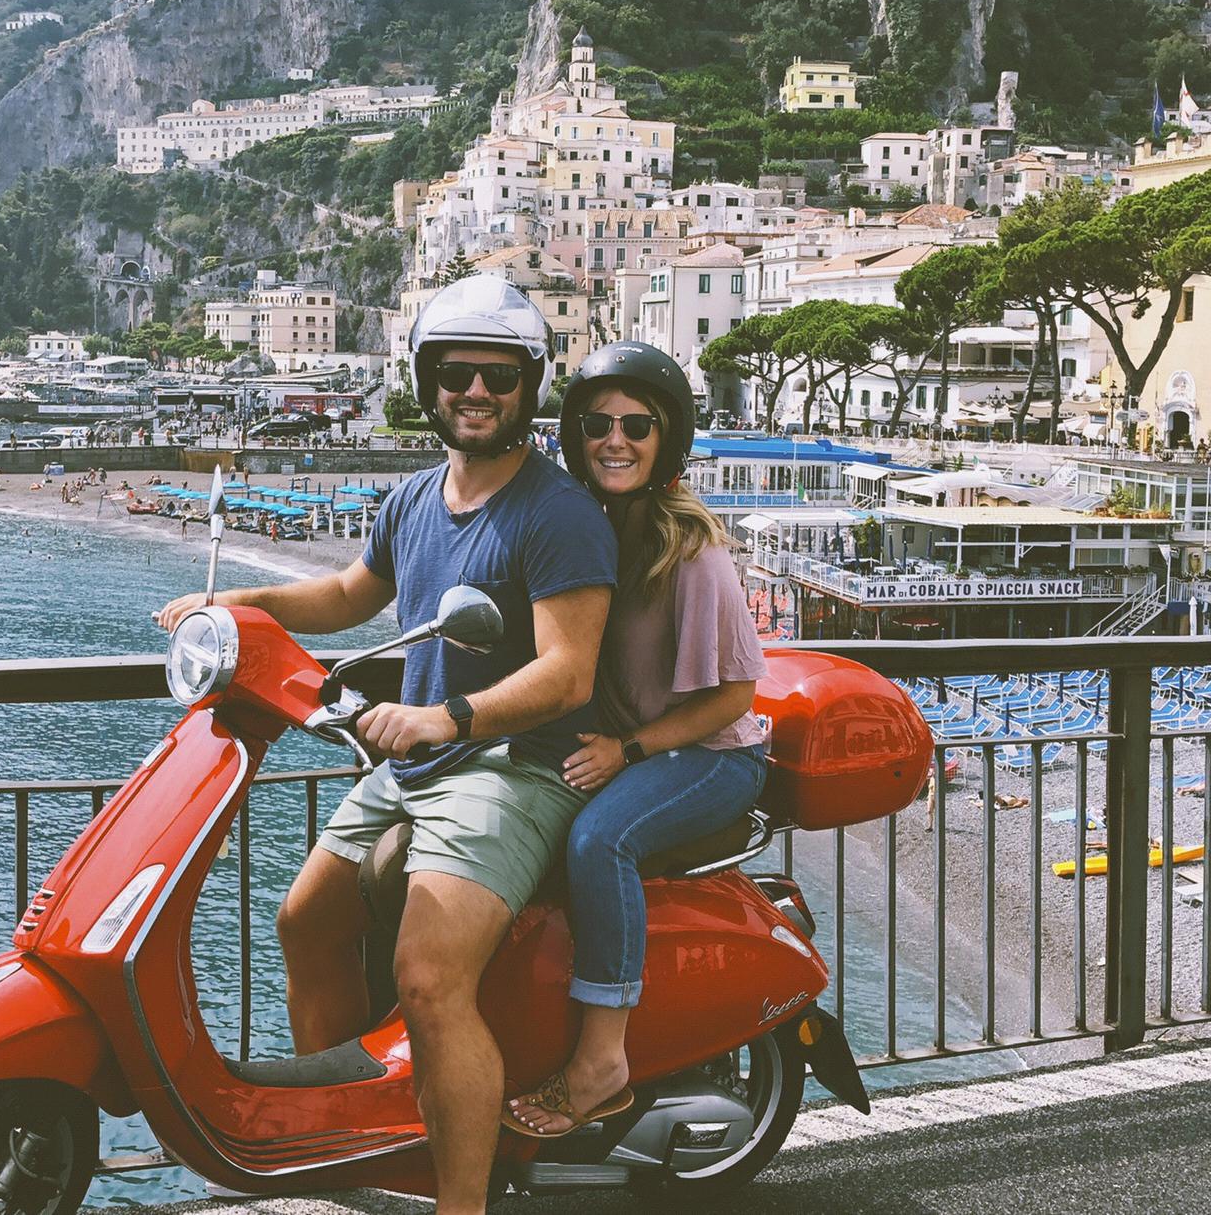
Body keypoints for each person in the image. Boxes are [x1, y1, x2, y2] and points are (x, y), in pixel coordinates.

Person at [156, 275, 615, 1215]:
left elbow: (568, 672)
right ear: (425, 379)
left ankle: (460, 1205)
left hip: (513, 764)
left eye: (497, 374)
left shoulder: (557, 511)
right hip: (420, 759)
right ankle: (355, 1150)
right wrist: (232, 606)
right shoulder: (414, 498)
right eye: (455, 372)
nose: (475, 391)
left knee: (428, 975)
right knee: (306, 921)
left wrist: (449, 718)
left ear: (530, 385)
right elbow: (345, 600)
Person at [503, 342, 769, 1139]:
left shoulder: (691, 548)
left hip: (714, 754)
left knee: (597, 843)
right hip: (644, 744)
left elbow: (734, 695)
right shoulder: (582, 529)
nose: (615, 440)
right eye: (597, 424)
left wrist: (631, 751)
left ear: (667, 439)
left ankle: (602, 1059)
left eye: (637, 425)